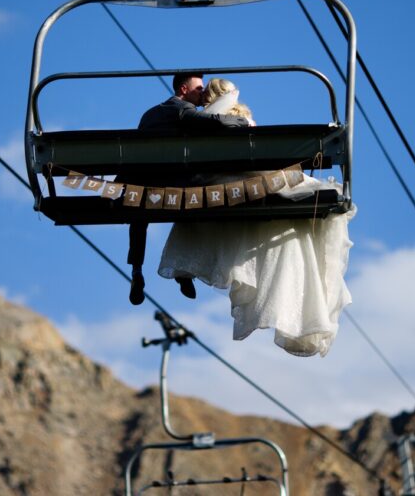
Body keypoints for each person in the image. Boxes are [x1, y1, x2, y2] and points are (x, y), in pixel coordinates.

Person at [157, 78, 356, 357]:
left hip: (213, 184)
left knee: (197, 205)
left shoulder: (201, 120)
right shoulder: (243, 120)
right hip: (247, 183)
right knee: (290, 197)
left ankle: (185, 267)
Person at [127, 73, 250, 305]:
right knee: (199, 194)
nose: (202, 93)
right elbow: (215, 121)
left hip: (142, 185)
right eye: (198, 88)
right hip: (174, 184)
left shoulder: (150, 114)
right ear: (184, 89)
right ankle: (184, 269)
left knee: (139, 213)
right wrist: (241, 122)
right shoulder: (180, 109)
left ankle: (137, 269)